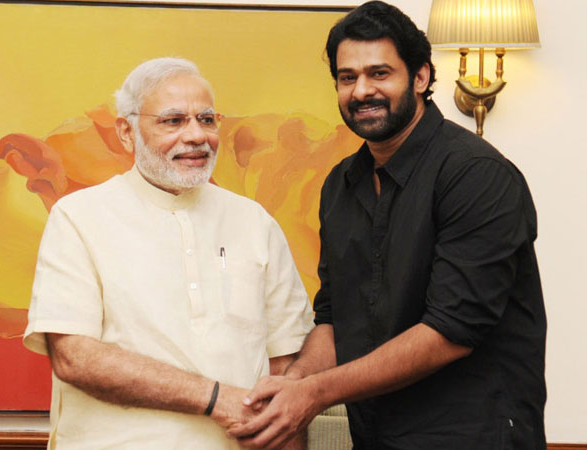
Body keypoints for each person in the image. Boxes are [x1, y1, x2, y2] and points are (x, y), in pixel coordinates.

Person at [228, 2, 547, 449]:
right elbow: (334, 319)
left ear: (420, 77)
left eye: (379, 73)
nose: (361, 91)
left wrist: (314, 394)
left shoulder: (476, 174)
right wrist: (294, 382)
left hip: (471, 435)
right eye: (347, 77)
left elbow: (452, 330)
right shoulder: (340, 184)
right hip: (376, 435)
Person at [23, 57, 313, 449]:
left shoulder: (255, 222)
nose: (196, 136)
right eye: (173, 121)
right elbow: (75, 357)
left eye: (206, 120)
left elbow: (285, 368)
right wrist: (215, 399)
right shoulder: (78, 217)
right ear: (127, 132)